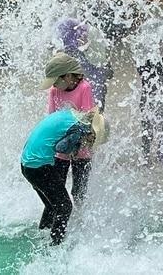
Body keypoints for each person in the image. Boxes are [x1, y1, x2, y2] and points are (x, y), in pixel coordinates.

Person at [19, 104, 105, 245]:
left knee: (52, 205)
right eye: (93, 140)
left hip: (27, 164)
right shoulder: (80, 128)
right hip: (39, 167)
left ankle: (42, 236)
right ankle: (56, 245)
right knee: (65, 207)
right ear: (92, 132)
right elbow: (61, 147)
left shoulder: (71, 115)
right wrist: (76, 147)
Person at [43, 53, 95, 203]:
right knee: (57, 185)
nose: (53, 85)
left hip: (82, 147)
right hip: (60, 148)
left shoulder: (84, 88)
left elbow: (87, 116)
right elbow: (51, 117)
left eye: (55, 80)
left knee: (79, 190)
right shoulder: (54, 91)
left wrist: (78, 143)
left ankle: (79, 214)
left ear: (67, 77)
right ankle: (61, 212)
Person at [55, 17, 112, 108]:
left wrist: (86, 48)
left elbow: (101, 61)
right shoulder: (61, 31)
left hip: (96, 75)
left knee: (95, 111)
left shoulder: (92, 33)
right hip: (75, 79)